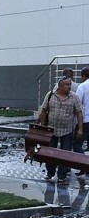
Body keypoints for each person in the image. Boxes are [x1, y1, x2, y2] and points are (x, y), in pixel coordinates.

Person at [38, 76, 83, 206]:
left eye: (70, 84)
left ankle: (62, 176)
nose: (69, 87)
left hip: (67, 130)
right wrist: (42, 126)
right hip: (51, 130)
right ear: (60, 86)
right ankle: (50, 173)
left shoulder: (74, 97)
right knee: (49, 153)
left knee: (65, 153)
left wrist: (80, 129)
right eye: (67, 85)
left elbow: (79, 113)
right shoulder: (51, 94)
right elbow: (44, 110)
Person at [73, 66, 89, 185]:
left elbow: (77, 104)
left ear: (83, 76)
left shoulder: (82, 86)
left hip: (84, 121)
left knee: (77, 144)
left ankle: (84, 164)